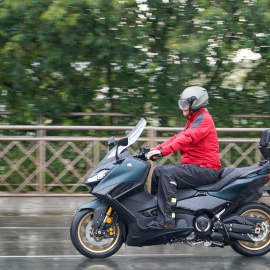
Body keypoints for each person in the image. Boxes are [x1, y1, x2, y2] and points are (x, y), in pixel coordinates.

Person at [146, 86, 221, 230]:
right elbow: (178, 137)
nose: (183, 107)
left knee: (168, 174)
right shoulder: (194, 118)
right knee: (158, 172)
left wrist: (163, 152)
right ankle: (154, 213)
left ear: (196, 103)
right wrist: (156, 149)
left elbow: (187, 138)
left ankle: (166, 221)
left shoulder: (204, 119)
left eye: (186, 104)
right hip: (194, 166)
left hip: (205, 169)